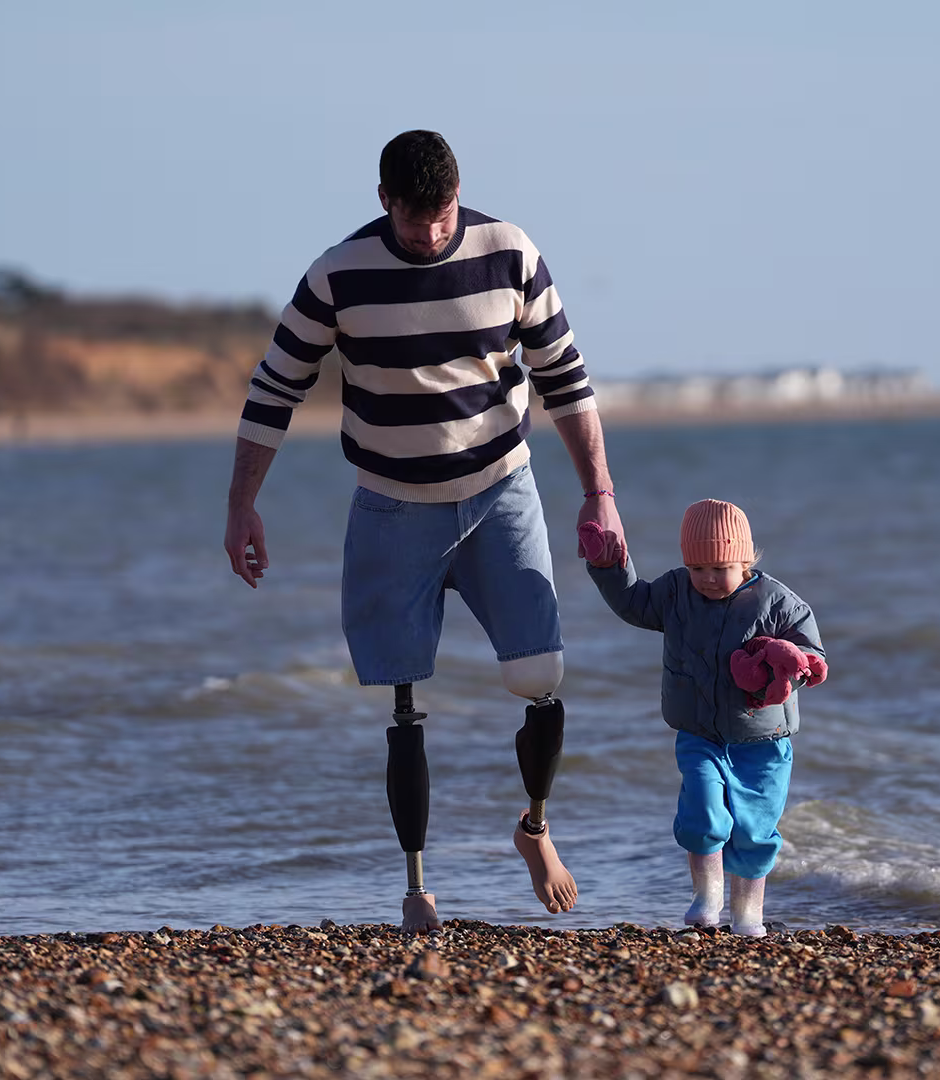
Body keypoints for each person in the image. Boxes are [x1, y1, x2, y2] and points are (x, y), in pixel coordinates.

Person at [222, 130, 625, 933]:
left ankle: (534, 827)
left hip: (499, 491)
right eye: (415, 220)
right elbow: (274, 393)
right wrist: (241, 507)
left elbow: (565, 378)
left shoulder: (509, 253)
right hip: (391, 505)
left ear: (457, 193)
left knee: (540, 676)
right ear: (384, 202)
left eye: (442, 215)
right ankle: (416, 890)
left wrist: (598, 494)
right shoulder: (336, 276)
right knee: (404, 700)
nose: (432, 233)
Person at [580, 499, 826, 936]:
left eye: (721, 567)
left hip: (763, 740)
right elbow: (633, 603)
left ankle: (748, 914)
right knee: (704, 816)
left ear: (746, 559)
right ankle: (706, 898)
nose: (708, 579)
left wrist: (795, 665)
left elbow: (811, 656)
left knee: (755, 829)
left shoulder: (778, 602)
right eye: (697, 568)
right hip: (700, 735)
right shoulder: (675, 593)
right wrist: (608, 564)